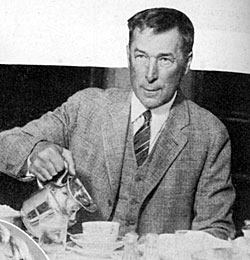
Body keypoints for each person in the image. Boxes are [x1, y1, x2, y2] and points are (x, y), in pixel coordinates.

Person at [0, 7, 235, 239]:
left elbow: (216, 231)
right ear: (128, 55)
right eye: (140, 56)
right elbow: (5, 144)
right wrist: (35, 152)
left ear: (187, 62)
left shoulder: (210, 133)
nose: (149, 74)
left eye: (164, 59)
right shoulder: (86, 106)